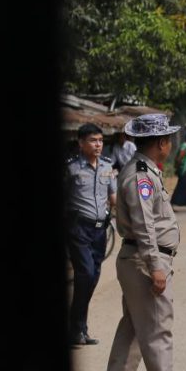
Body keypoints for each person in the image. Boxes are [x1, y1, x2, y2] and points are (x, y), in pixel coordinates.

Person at [97, 114, 186, 371]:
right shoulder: (141, 175)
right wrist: (156, 266)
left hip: (141, 259)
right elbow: (145, 225)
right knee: (158, 329)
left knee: (132, 328)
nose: (169, 144)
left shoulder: (146, 171)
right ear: (161, 143)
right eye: (168, 139)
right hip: (145, 261)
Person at [65, 123, 116, 346]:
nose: (98, 145)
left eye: (101, 140)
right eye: (93, 140)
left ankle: (79, 329)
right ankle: (75, 328)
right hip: (79, 230)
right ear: (81, 143)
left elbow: (113, 198)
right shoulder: (71, 169)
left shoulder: (107, 166)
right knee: (84, 274)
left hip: (100, 230)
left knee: (92, 279)